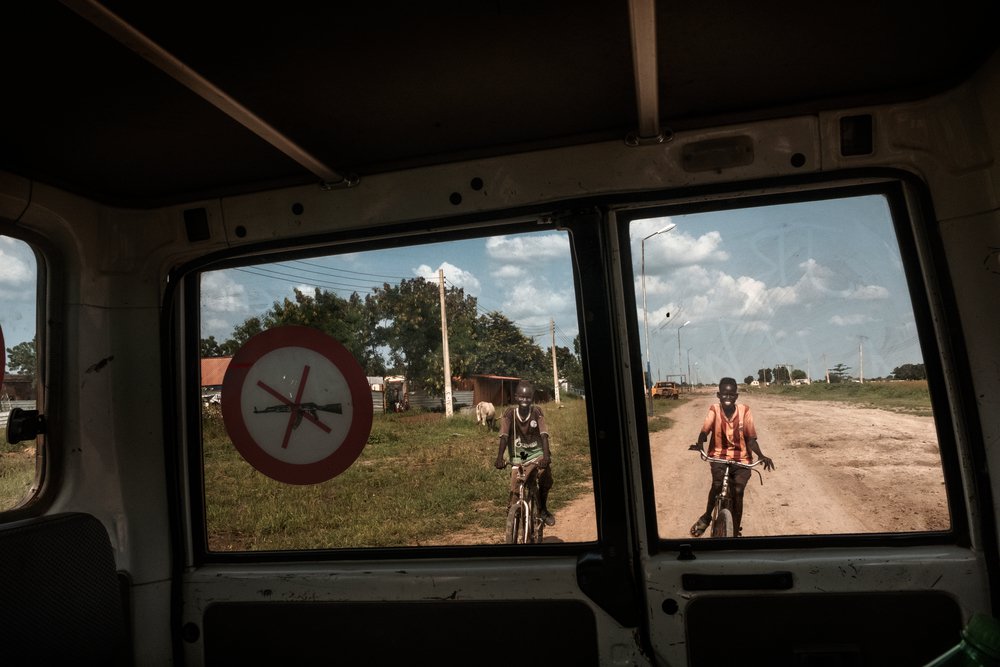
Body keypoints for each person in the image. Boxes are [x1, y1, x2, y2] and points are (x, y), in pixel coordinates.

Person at [689, 377, 774, 537]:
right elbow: (705, 430)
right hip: (718, 456)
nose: (727, 398)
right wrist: (700, 443)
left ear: (736, 396)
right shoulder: (714, 409)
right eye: (724, 395)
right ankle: (707, 517)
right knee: (716, 485)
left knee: (738, 490)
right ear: (718, 395)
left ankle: (735, 530)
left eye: (731, 395)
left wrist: (761, 455)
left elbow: (750, 438)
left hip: (742, 459)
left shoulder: (745, 411)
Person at [494, 381, 555, 526]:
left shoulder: (537, 412)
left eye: (528, 397)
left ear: (532, 398)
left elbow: (544, 435)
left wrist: (546, 457)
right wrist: (499, 457)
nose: (524, 401)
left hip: (537, 454)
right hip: (517, 457)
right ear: (516, 397)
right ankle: (514, 522)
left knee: (545, 476)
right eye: (521, 397)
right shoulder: (509, 414)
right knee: (515, 493)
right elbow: (504, 436)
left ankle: (543, 510)